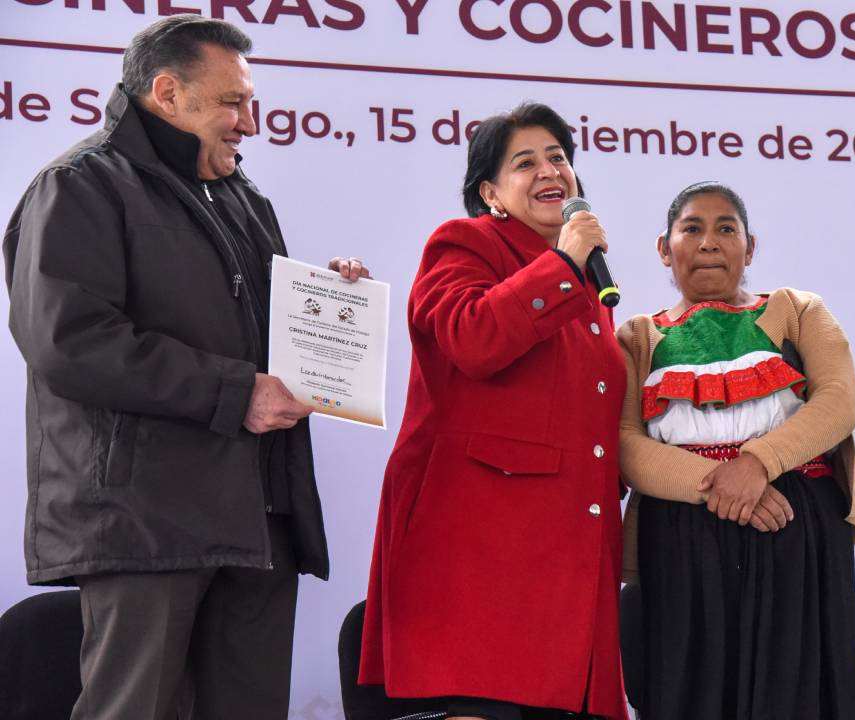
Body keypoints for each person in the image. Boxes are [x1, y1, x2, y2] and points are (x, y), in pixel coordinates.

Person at [3, 15, 369, 720]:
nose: (249, 123)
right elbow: (69, 341)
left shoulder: (241, 195)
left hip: (257, 516)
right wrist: (236, 393)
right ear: (167, 93)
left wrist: (327, 306)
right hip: (144, 522)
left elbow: (256, 338)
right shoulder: (78, 185)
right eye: (233, 102)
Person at [358, 102, 627, 720]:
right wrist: (563, 265)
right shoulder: (466, 242)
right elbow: (473, 338)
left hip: (572, 557)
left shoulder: (588, 282)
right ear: (491, 193)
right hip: (483, 553)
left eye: (558, 157)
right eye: (524, 162)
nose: (548, 170)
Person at [616, 182, 855, 719]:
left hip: (794, 526)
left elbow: (838, 403)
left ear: (750, 246)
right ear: (664, 250)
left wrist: (758, 464)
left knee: (798, 690)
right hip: (680, 532)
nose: (710, 242)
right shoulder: (637, 337)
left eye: (726, 228)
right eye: (691, 228)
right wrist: (719, 483)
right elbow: (625, 444)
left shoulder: (798, 309)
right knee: (693, 692)